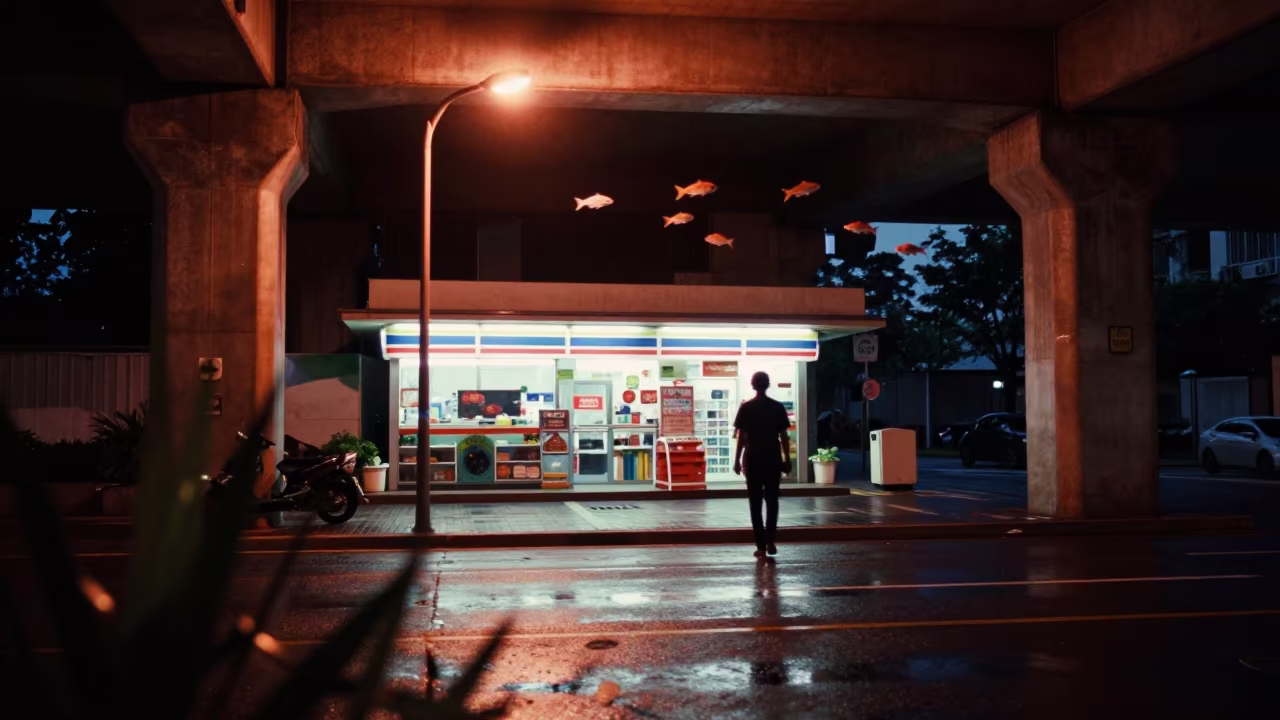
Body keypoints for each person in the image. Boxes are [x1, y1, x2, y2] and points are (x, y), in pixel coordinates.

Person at [733, 371, 792, 557]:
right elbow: (783, 436)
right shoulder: (777, 407)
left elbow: (742, 437)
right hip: (773, 459)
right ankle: (771, 540)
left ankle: (760, 545)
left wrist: (736, 460)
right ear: (768, 384)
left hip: (753, 459)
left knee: (755, 502)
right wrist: (787, 459)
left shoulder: (746, 408)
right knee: (772, 501)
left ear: (752, 385)